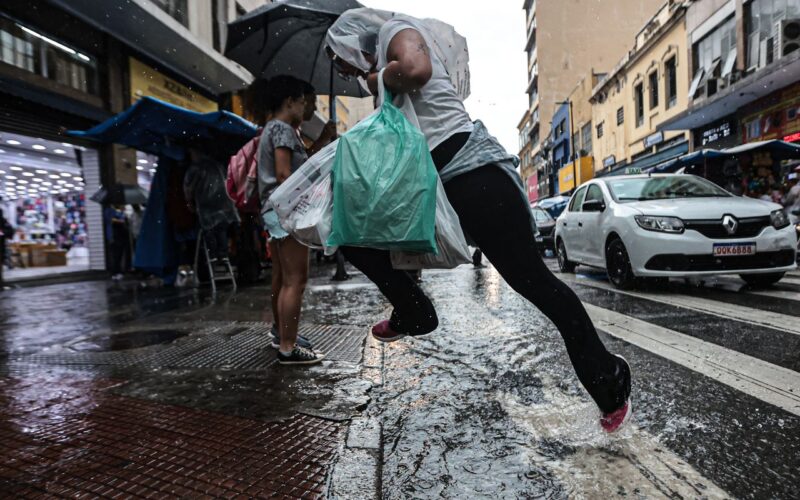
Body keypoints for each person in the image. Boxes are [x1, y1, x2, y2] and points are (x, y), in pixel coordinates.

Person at [325, 9, 631, 432]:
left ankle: (609, 381)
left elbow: (416, 69)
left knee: (535, 284)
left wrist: (377, 81)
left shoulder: (395, 33)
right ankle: (413, 310)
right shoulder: (382, 67)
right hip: (440, 187)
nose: (345, 72)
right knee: (348, 231)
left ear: (350, 43)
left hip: (476, 179)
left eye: (341, 61)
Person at [257, 75, 325, 365]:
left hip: (273, 210)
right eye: (302, 102)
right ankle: (288, 346)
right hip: (286, 211)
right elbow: (285, 174)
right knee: (296, 280)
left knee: (282, 279)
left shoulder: (272, 128)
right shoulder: (284, 129)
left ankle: (282, 334)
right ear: (290, 102)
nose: (304, 107)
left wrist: (321, 142)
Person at [183, 145, 240, 269]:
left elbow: (189, 189)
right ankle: (223, 255)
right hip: (225, 205)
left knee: (210, 230)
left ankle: (214, 256)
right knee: (221, 230)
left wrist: (190, 203)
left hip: (208, 206)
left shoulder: (196, 168)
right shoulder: (217, 166)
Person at [104, 204, 129, 281]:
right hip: (114, 237)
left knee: (119, 255)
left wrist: (122, 213)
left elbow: (123, 220)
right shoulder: (109, 210)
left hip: (119, 237)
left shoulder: (119, 212)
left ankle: (118, 272)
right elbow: (109, 219)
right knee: (115, 255)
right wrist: (119, 219)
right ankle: (115, 272)